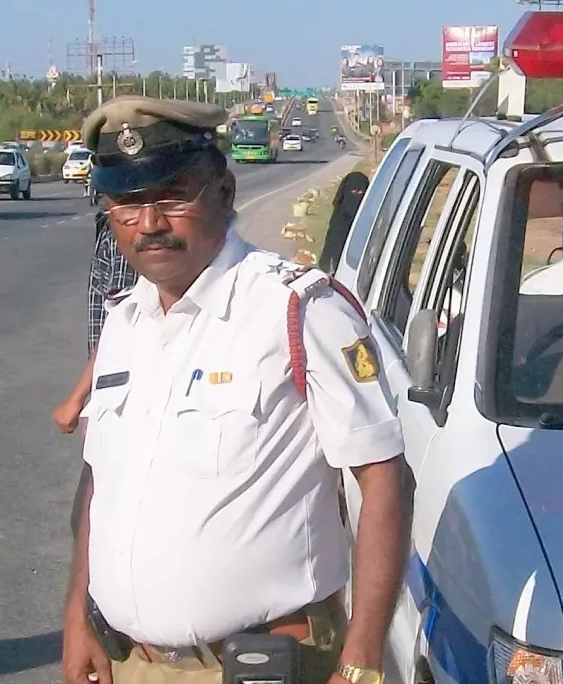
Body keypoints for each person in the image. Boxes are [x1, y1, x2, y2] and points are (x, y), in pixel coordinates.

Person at [61, 95, 406, 684]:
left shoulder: (297, 310)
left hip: (263, 666)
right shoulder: (124, 323)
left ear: (223, 193)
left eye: (172, 197)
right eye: (127, 203)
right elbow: (101, 483)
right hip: (132, 663)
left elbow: (384, 479)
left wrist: (362, 659)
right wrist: (76, 617)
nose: (149, 224)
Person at [51, 196, 140, 434]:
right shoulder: (111, 225)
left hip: (123, 387)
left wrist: (77, 398)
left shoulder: (122, 234)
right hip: (111, 379)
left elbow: (123, 322)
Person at [318, 171, 371, 275]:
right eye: (355, 192)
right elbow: (332, 253)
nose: (359, 195)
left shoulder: (370, 217)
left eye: (362, 192)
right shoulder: (339, 220)